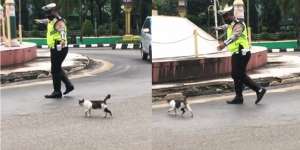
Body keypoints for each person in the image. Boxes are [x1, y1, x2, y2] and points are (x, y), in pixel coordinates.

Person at [216, 1, 266, 104]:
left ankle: (259, 89)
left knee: (238, 74)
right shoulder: (231, 23)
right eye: (223, 17)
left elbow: (235, 36)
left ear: (231, 15)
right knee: (236, 74)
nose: (224, 19)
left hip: (241, 52)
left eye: (226, 17)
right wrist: (217, 28)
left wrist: (224, 44)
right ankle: (239, 97)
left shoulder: (238, 24)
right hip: (238, 52)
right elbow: (226, 27)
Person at [35, 3, 74, 98]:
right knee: (57, 68)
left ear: (53, 12)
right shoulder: (51, 20)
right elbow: (46, 21)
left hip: (59, 47)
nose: (47, 15)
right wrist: (39, 21)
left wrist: (63, 41)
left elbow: (63, 31)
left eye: (48, 13)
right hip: (55, 48)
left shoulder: (58, 21)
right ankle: (69, 86)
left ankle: (57, 92)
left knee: (55, 70)